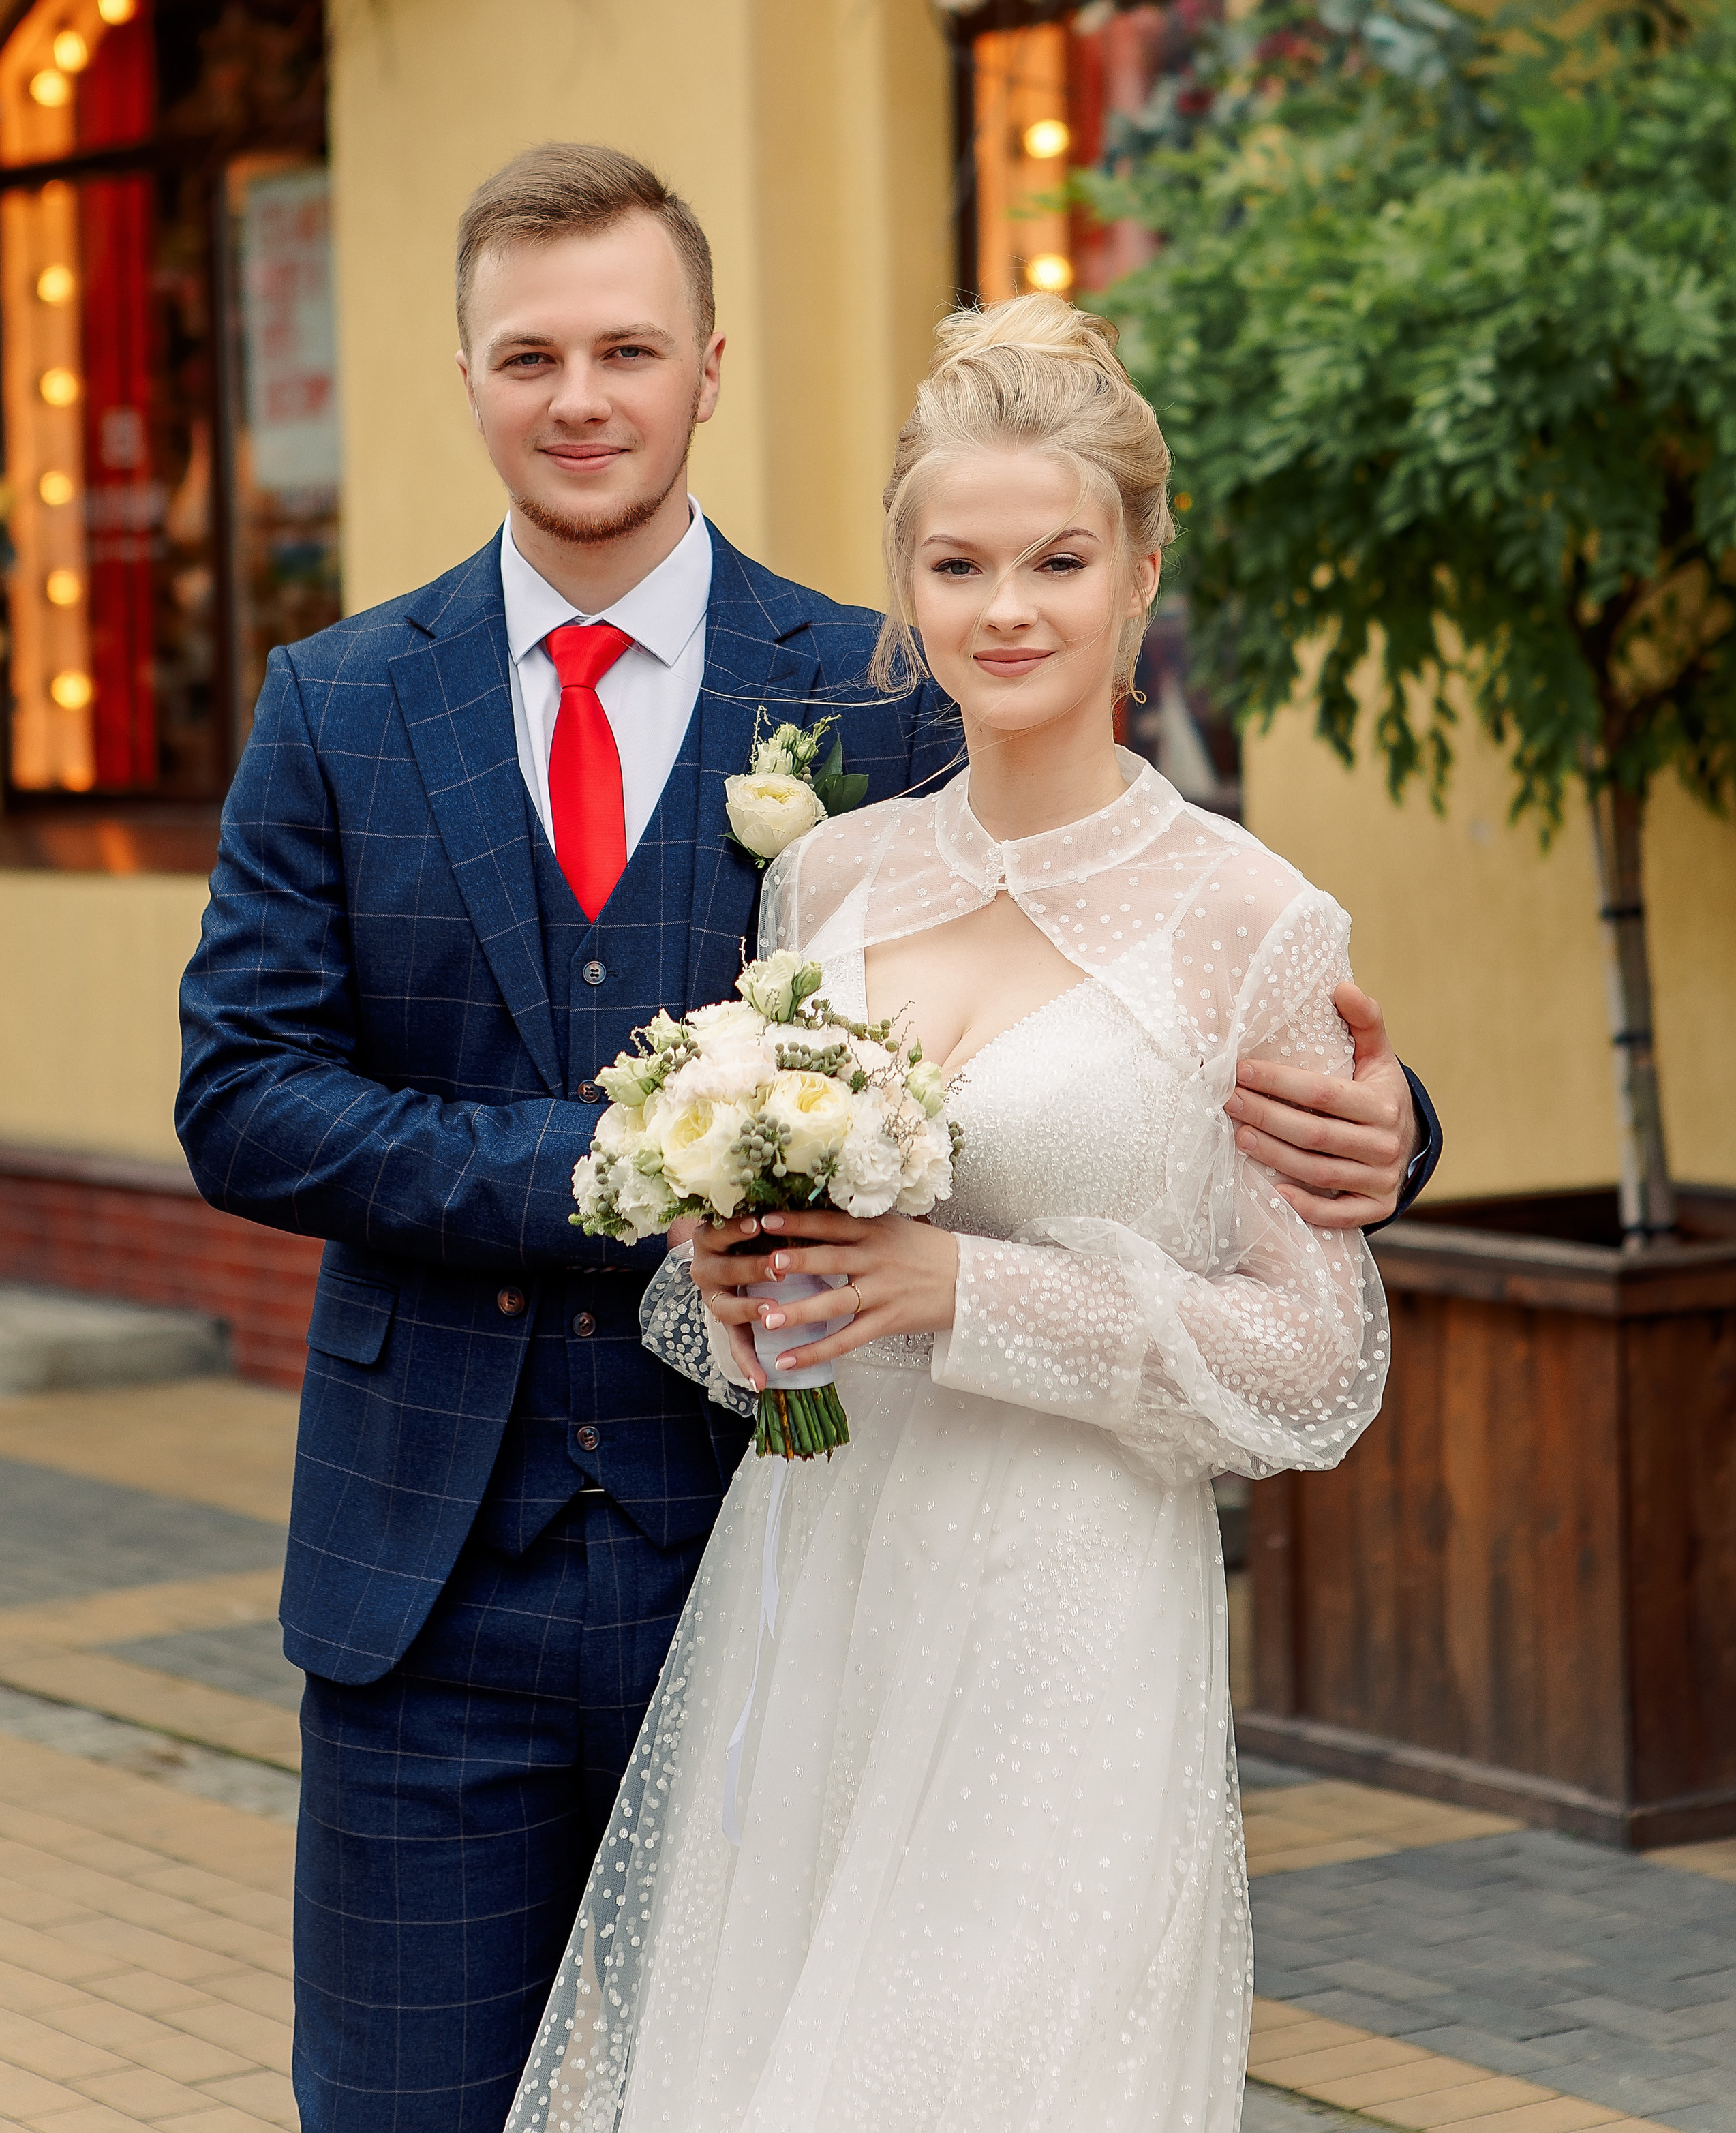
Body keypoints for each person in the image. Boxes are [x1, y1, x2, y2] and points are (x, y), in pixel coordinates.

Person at [175, 149, 1437, 2133]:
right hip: (436, 1580)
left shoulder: (887, 685)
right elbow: (239, 1092)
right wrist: (631, 1169)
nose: (579, 393)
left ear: (708, 369)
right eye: (532, 353)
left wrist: (1388, 1128)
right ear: (469, 375)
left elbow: (1127, 980)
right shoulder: (336, 705)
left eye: (626, 347)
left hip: (770, 1565)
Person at [508, 293, 1397, 2133]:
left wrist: (955, 1291)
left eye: (1061, 559)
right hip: (815, 1581)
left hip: (1065, 1615)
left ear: (1145, 571)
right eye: (960, 561)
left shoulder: (1254, 920)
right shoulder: (829, 875)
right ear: (906, 586)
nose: (1010, 609)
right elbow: (747, 1314)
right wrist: (748, 1290)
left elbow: (1316, 1362)